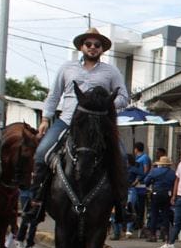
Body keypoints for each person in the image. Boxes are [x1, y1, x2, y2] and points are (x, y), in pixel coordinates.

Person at [27, 27, 128, 208]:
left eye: (97, 44)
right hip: (67, 121)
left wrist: (104, 104)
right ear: (81, 47)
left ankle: (121, 204)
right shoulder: (67, 68)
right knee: (42, 152)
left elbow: (123, 98)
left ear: (102, 49)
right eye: (88, 44)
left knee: (121, 156)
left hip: (98, 125)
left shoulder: (111, 71)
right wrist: (45, 119)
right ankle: (36, 199)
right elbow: (54, 95)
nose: (92, 47)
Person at [144, 156, 176, 244]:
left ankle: (153, 235)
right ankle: (166, 235)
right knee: (166, 214)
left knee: (154, 214)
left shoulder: (154, 171)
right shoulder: (172, 173)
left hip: (156, 193)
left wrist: (152, 183)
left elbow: (146, 181)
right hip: (167, 194)